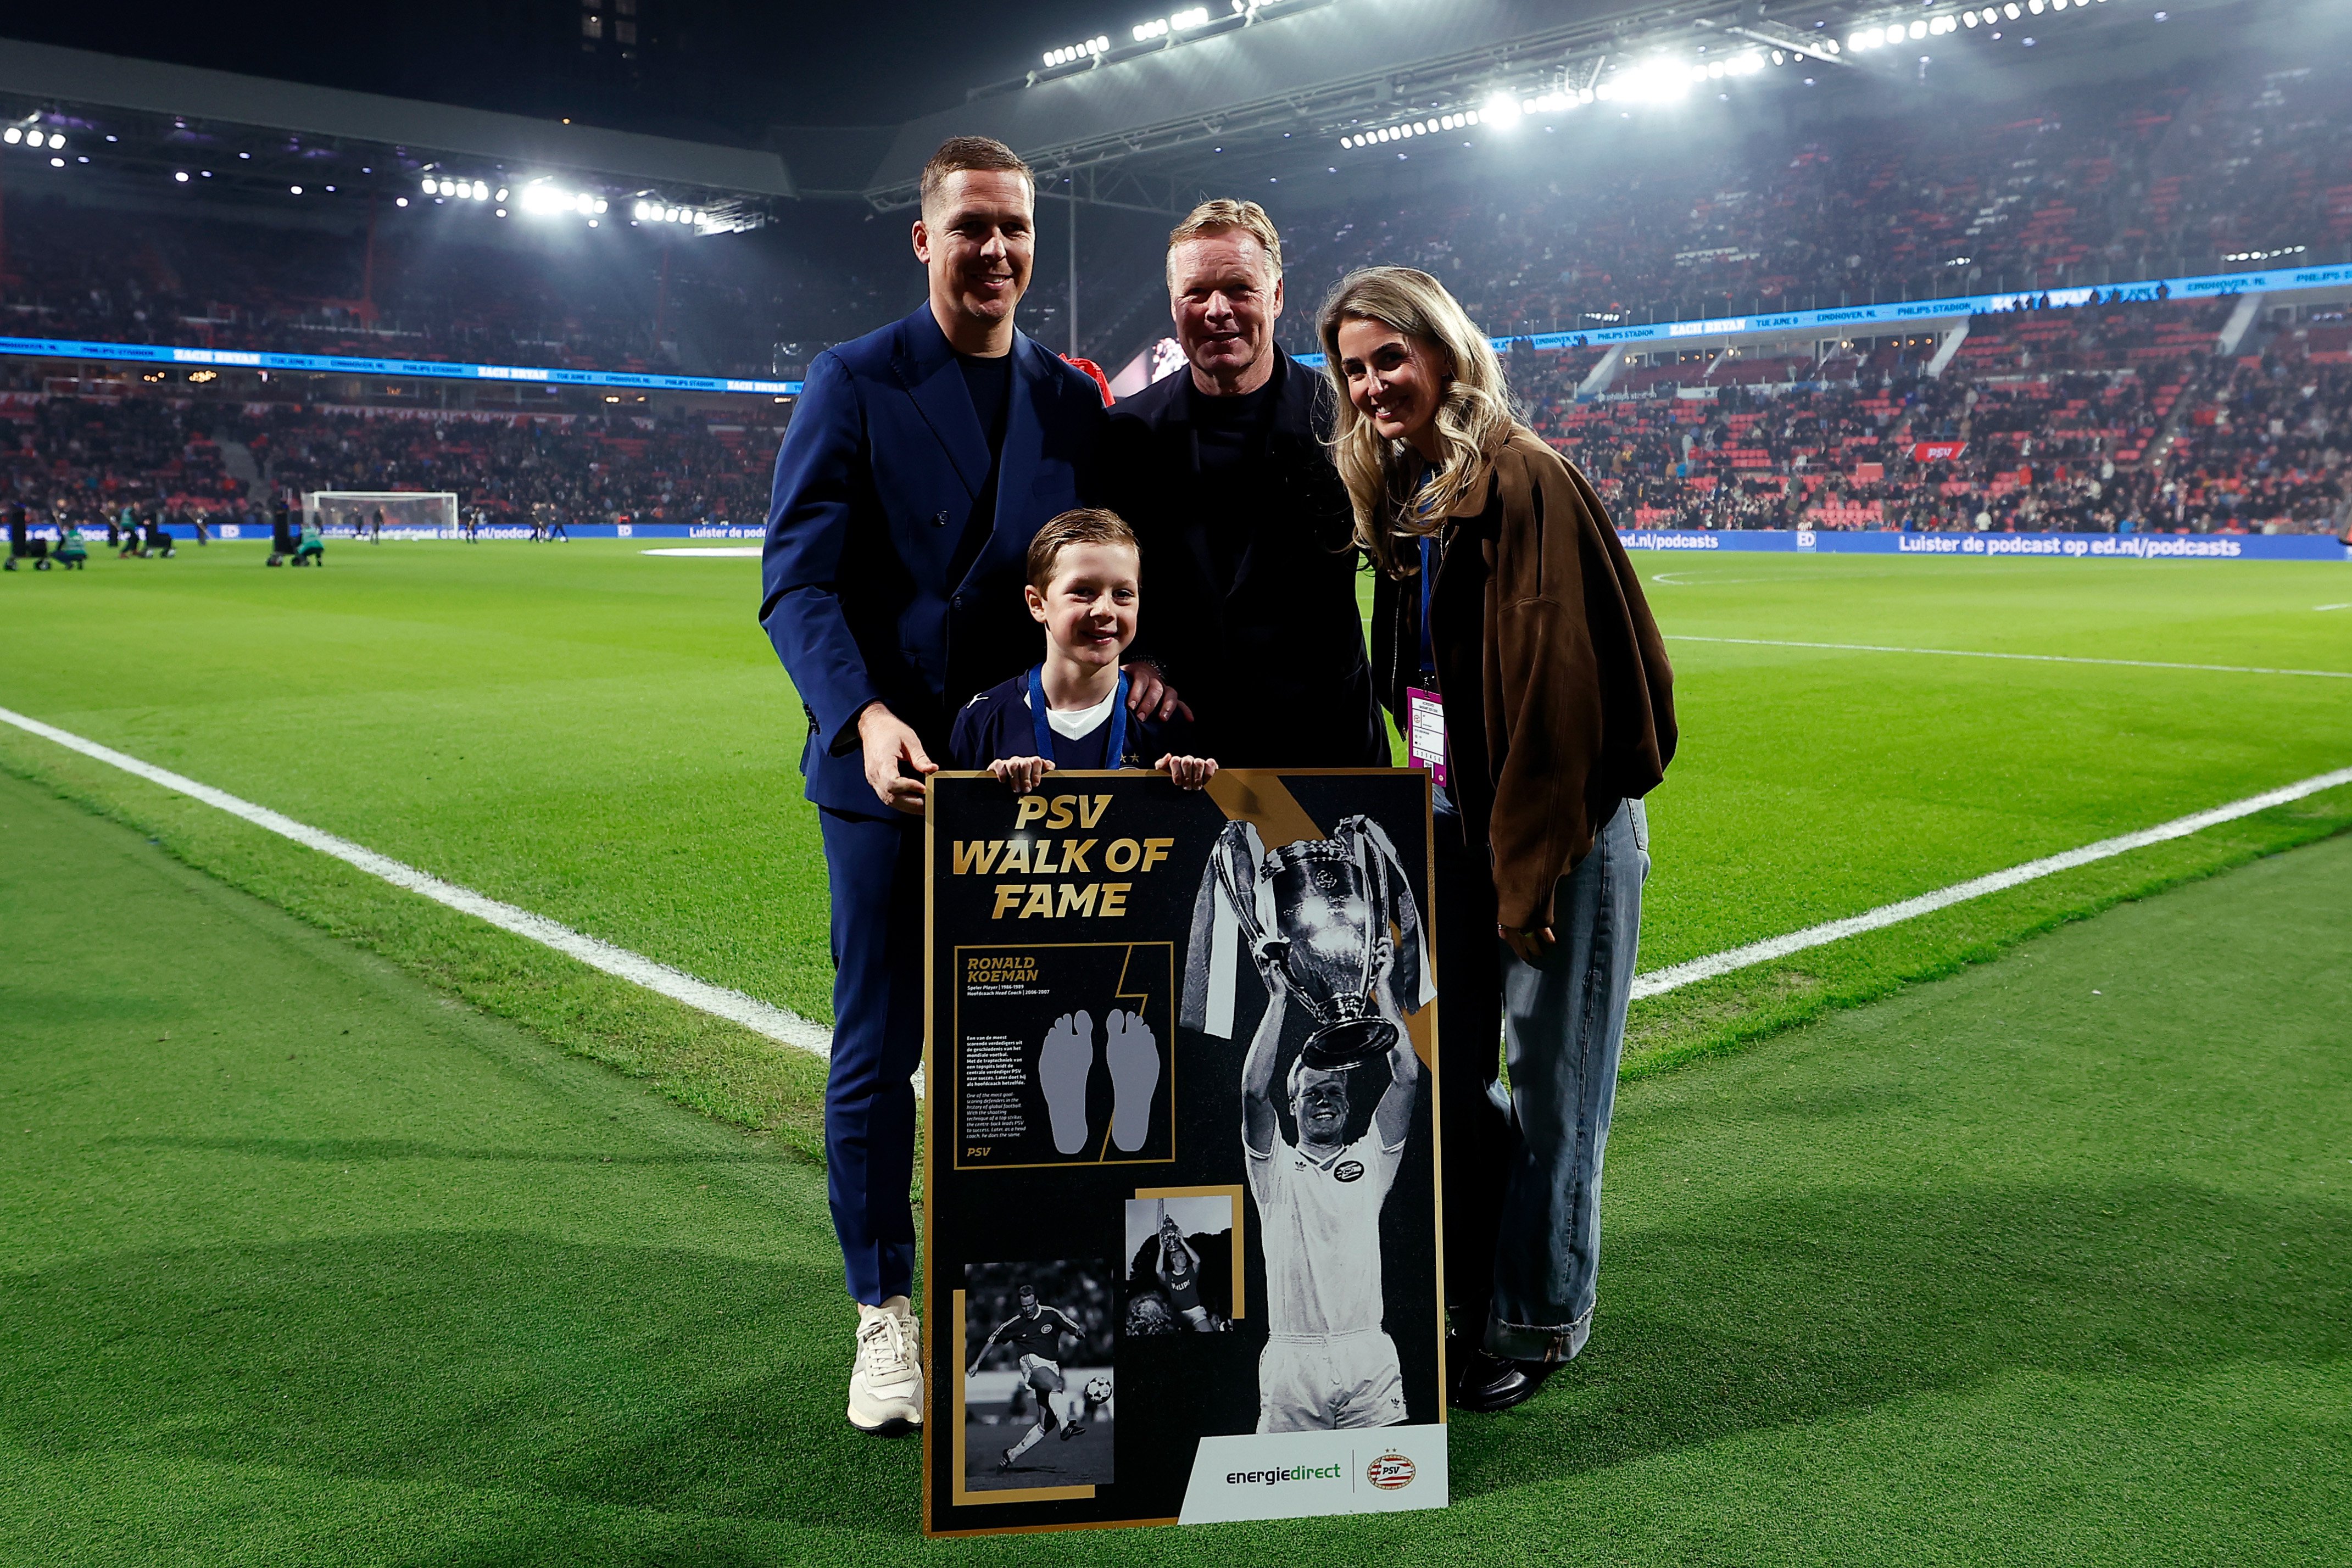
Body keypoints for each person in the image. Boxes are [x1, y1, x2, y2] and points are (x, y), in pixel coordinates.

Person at [761, 135, 1169, 1438]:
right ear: (923, 238)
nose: (995, 249)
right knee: (881, 1048)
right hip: (891, 774)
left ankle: (1039, 1299)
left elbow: (1102, 568)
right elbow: (796, 581)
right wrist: (863, 712)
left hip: (1031, 779)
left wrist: (1139, 669)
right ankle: (883, 1306)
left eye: (1014, 227)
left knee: (1050, 1045)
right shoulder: (853, 379)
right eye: (970, 226)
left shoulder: (1070, 398)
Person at [1320, 266, 1675, 1414]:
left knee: (1553, 1091)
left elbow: (1560, 710)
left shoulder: (1522, 480)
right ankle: (1470, 1287)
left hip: (1555, 838)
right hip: (1457, 829)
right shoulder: (1413, 492)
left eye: (1391, 357)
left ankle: (1536, 1316)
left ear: (1445, 351)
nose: (1372, 384)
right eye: (1354, 368)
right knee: (1447, 1073)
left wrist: (1523, 877)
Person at [1094, 200, 1387, 768]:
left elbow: (1405, 567)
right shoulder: (1125, 435)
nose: (1217, 310)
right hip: (1183, 751)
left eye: (1238, 289)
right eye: (1196, 293)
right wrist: (1142, 655)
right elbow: (1102, 577)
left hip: (1328, 744)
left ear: (1276, 296)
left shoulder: (1347, 420)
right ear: (1173, 306)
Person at [1240, 943, 1420, 1432]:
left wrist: (1381, 988)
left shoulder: (1371, 1159)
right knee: (1289, 1488)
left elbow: (1406, 1079)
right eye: (1312, 1093)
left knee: (1384, 1481)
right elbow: (1254, 1092)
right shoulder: (1274, 1168)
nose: (1325, 1101)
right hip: (1293, 1361)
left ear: (1347, 1103)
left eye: (1334, 1092)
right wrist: (1278, 999)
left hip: (1367, 1355)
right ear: (1293, 1104)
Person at [948, 507, 1216, 791]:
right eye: (1083, 592)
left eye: (1122, 594)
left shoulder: (1163, 720)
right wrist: (992, 796)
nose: (1104, 610)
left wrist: (1182, 794)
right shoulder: (982, 719)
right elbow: (951, 817)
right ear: (1037, 604)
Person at [967, 1284, 1090, 1468]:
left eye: (1030, 1305)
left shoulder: (1050, 1314)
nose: (1027, 1309)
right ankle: (1065, 1426)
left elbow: (1069, 1324)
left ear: (1036, 1301)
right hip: (1032, 1364)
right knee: (1057, 1384)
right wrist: (977, 1363)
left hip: (1050, 1366)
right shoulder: (1015, 1324)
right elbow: (993, 1339)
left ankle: (1011, 1455)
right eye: (1024, 1306)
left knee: (1046, 1424)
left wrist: (1078, 1332)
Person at [1155, 1215, 1213, 1332]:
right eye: (1181, 1257)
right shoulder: (1169, 1276)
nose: (1185, 1258)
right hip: (1179, 1315)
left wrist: (1183, 1242)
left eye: (1185, 1257)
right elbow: (1158, 1271)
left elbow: (1197, 1261)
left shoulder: (1190, 1272)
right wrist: (1162, 1249)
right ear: (1174, 1261)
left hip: (1196, 1312)